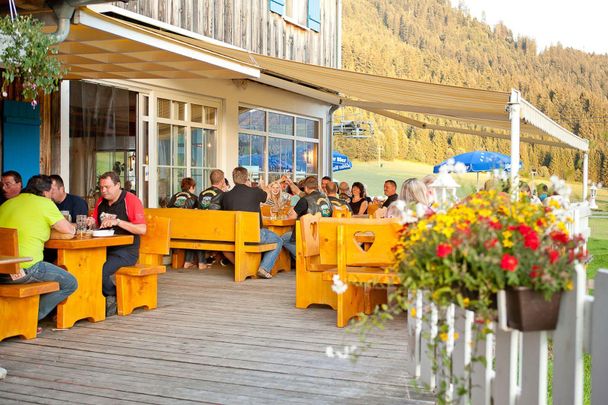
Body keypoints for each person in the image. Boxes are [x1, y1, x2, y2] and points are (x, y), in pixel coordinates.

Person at [0, 175, 78, 324]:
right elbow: (68, 230)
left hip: (1, 271)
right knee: (70, 283)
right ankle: (29, 318)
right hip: (25, 269)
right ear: (46, 192)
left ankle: (20, 316)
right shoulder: (44, 203)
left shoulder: (7, 204)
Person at [91, 171, 146, 316]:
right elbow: (95, 223)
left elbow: (142, 229)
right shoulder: (101, 202)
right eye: (101, 187)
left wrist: (118, 222)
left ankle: (114, 295)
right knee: (85, 267)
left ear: (118, 185)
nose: (103, 191)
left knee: (100, 270)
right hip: (103, 248)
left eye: (107, 187)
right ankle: (91, 301)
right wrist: (91, 222)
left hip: (126, 251)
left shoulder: (131, 200)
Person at [221, 167, 283, 279]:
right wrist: (264, 187)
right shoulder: (255, 192)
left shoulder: (225, 196)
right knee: (279, 240)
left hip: (233, 236)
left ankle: (241, 265)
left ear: (233, 179)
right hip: (253, 235)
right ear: (246, 178)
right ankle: (264, 268)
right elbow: (267, 196)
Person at [281, 176, 333, 258]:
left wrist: (289, 212)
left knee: (282, 238)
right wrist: (291, 183)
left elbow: (292, 217)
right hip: (323, 233)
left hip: (307, 234)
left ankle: (305, 257)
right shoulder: (325, 197)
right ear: (317, 186)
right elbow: (298, 192)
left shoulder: (305, 200)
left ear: (305, 188)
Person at [168, 178, 206, 269]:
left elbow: (168, 209)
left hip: (173, 230)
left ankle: (187, 262)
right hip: (187, 232)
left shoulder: (174, 196)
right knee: (197, 233)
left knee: (191, 232)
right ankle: (201, 262)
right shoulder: (194, 198)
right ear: (192, 187)